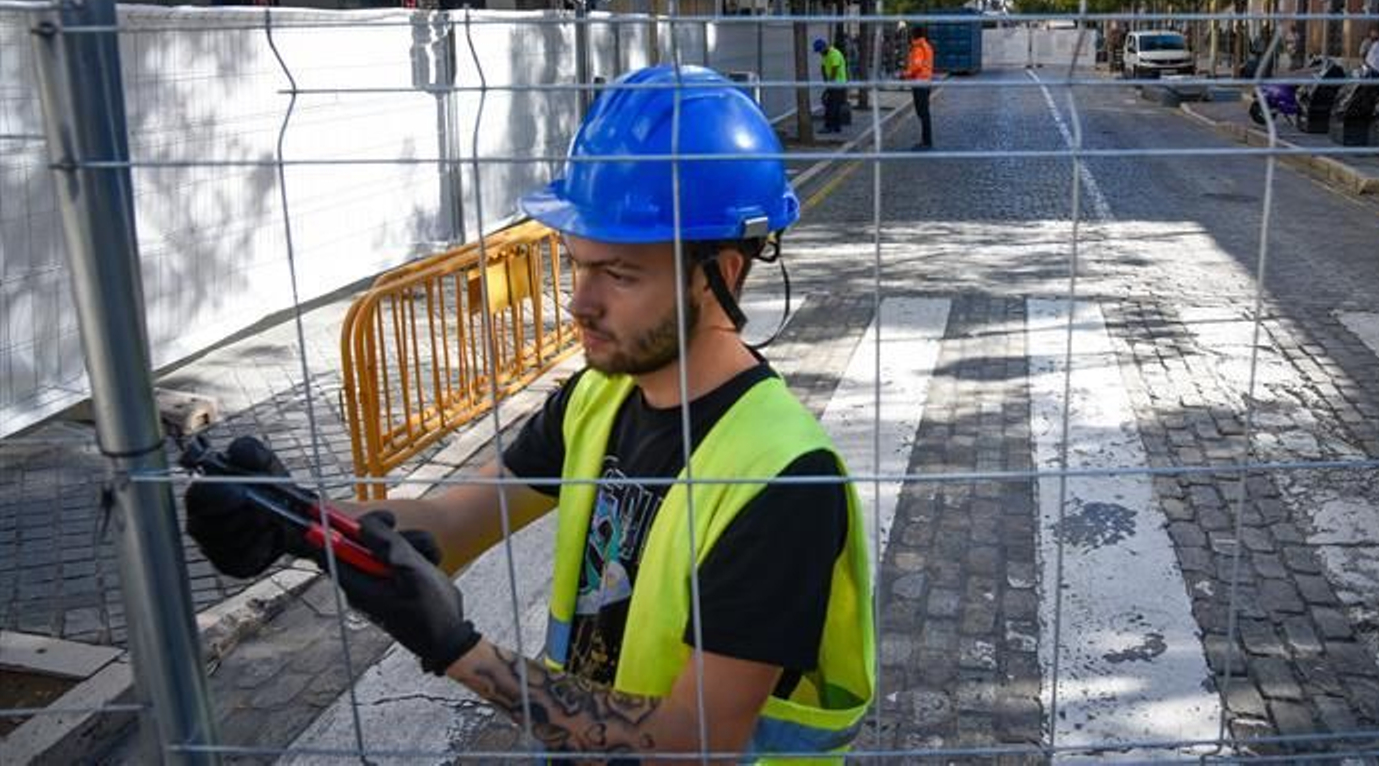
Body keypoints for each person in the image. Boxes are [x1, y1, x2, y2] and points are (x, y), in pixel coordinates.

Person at [185, 65, 875, 761]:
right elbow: (454, 522)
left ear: (719, 275)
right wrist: (299, 521)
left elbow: (692, 742)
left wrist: (460, 652)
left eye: (619, 272)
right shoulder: (598, 398)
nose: (580, 303)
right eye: (577, 264)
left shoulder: (785, 481)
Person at [902, 24, 934, 148]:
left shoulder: (919, 48)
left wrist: (905, 74)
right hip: (926, 82)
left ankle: (926, 141)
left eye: (911, 33)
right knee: (924, 112)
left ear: (915, 34)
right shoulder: (926, 46)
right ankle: (926, 140)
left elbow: (917, 66)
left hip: (920, 83)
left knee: (922, 113)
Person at [814, 36, 849, 133]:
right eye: (818, 51)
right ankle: (837, 127)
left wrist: (829, 84)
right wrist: (826, 81)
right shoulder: (825, 55)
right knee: (834, 105)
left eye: (820, 50)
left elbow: (834, 70)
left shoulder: (834, 54)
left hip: (838, 84)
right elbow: (823, 68)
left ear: (825, 47)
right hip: (832, 84)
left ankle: (828, 126)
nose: (820, 53)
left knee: (831, 105)